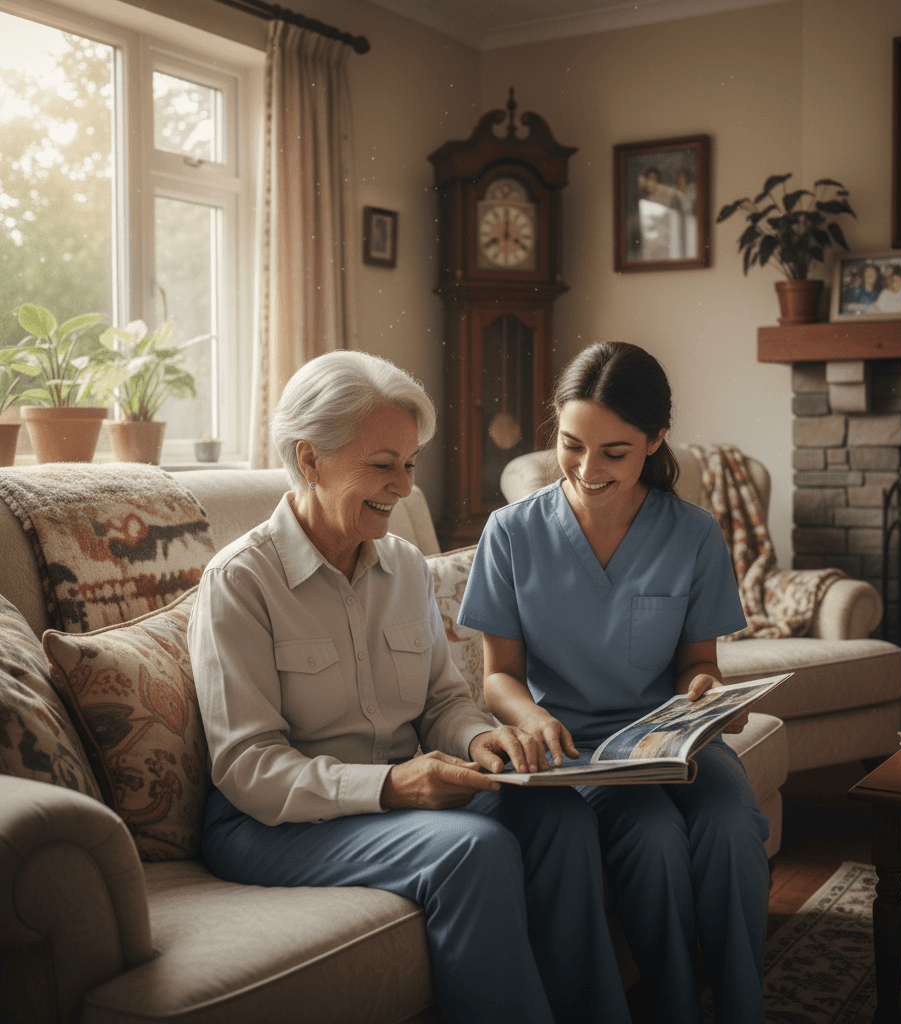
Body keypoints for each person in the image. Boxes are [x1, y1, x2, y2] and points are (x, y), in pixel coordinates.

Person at [188, 350, 631, 1024]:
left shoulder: (403, 567)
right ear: (311, 459)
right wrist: (392, 787)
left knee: (561, 818)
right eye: (381, 464)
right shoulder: (239, 582)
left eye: (409, 463)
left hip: (394, 793)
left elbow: (442, 701)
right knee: (471, 851)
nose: (403, 486)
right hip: (270, 821)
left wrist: (484, 739)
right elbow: (249, 769)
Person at [458, 341, 770, 1024]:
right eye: (572, 445)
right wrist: (531, 719)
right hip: (579, 749)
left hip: (676, 743)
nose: (588, 469)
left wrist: (706, 695)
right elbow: (499, 678)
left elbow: (699, 664)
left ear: (655, 440)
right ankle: (676, 1009)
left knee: (730, 824)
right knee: (653, 841)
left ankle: (745, 1008)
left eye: (614, 453)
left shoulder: (693, 535)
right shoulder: (510, 533)